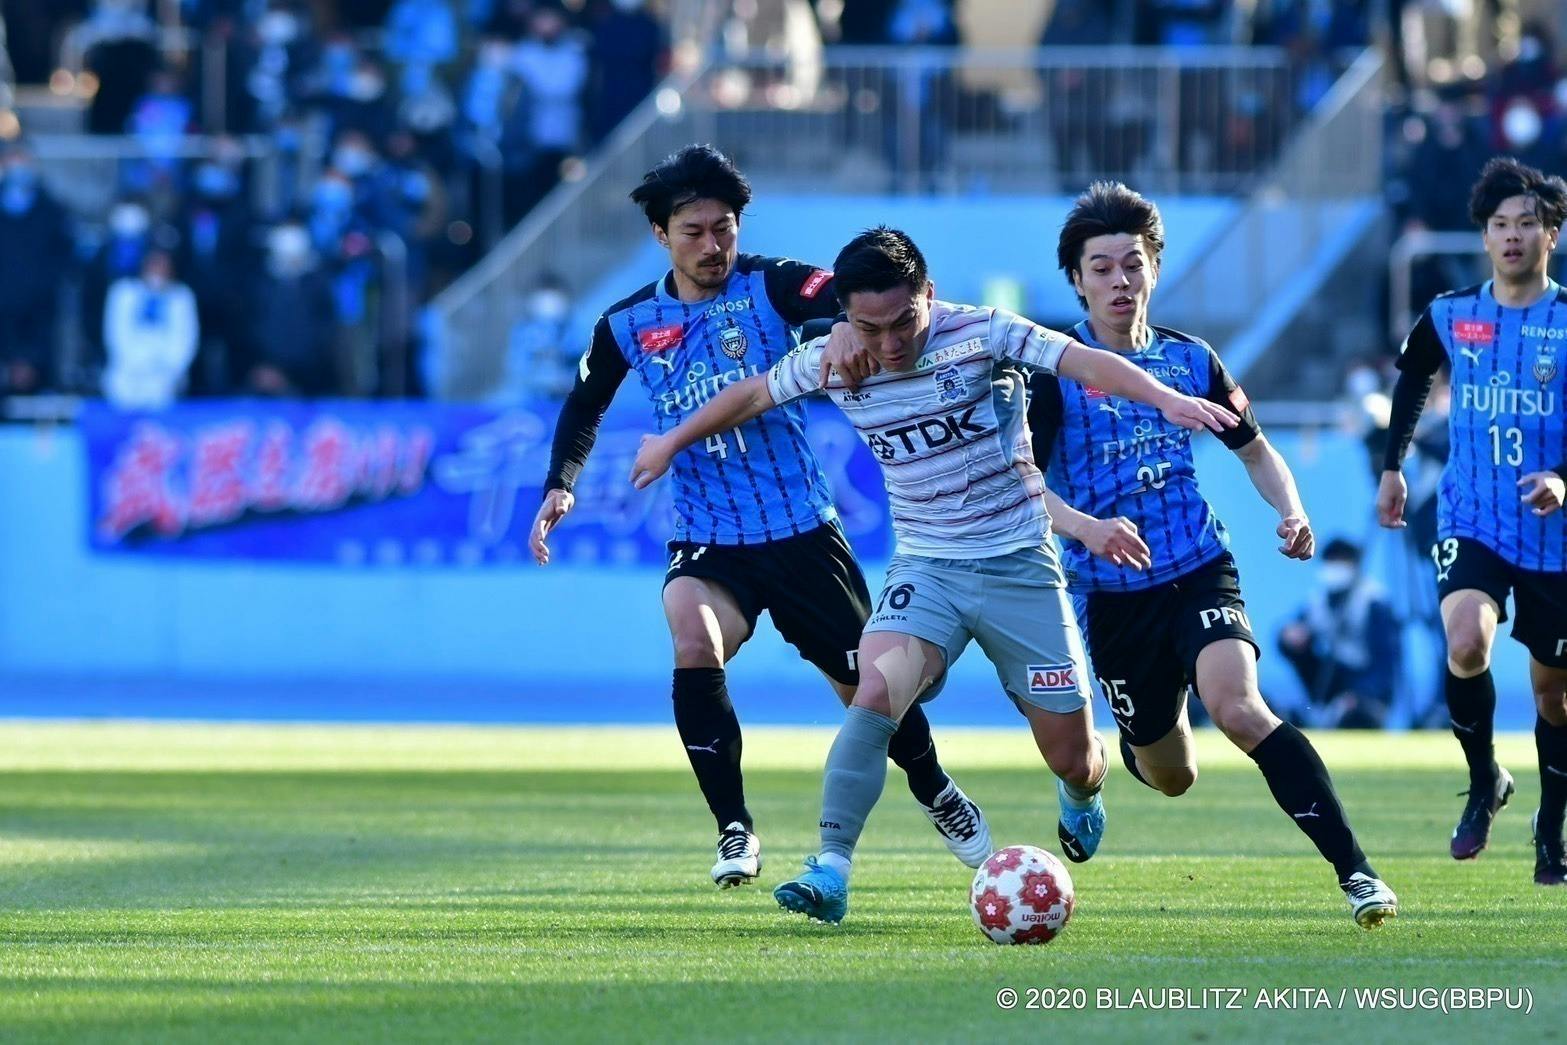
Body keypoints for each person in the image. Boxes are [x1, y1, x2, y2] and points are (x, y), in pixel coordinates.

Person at [629, 225, 1241, 924]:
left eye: (903, 322)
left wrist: (1163, 397)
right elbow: (748, 396)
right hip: (928, 570)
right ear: (845, 317)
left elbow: (1083, 361)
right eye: (868, 327)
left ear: (929, 293)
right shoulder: (832, 358)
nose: (889, 344)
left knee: (1071, 756)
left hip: (1020, 567)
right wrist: (671, 441)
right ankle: (830, 867)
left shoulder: (982, 332)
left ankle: (1081, 792)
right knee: (874, 694)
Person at [530, 146, 989, 890]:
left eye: (724, 228)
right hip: (708, 534)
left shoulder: (771, 284)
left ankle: (936, 789)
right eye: (693, 232)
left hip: (800, 529)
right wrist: (560, 483)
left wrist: (842, 325)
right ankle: (734, 827)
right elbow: (585, 403)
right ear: (660, 235)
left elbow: (840, 292)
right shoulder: (627, 323)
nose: (712, 245)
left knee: (867, 690)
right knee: (692, 636)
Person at [1027, 181, 1397, 927]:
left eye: (1132, 264)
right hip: (1110, 593)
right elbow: (1023, 485)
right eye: (1101, 268)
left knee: (1240, 708)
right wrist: (1086, 528)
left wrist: (1291, 511)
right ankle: (1090, 780)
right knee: (1172, 775)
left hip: (1198, 567)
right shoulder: (1054, 373)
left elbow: (1255, 451)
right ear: (1076, 280)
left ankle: (1357, 873)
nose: (1120, 281)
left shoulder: (1191, 361)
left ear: (1154, 268)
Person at [1378, 156, 1567, 887]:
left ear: (1551, 234)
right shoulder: (1451, 312)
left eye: (1527, 223)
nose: (1513, 235)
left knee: (1553, 695)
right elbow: (1412, 379)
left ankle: (1550, 827)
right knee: (1464, 642)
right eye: (1499, 224)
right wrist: (1392, 467)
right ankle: (1484, 777)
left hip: (1554, 535)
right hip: (1473, 516)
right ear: (1484, 236)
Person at [1278, 538, 1401, 729]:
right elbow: (1292, 632)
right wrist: (1288, 638)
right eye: (1330, 561)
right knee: (1296, 645)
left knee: (1360, 714)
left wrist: (1362, 693)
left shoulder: (1374, 601)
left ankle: (1356, 710)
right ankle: (1315, 709)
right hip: (1332, 678)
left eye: (1341, 561)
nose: (1335, 568)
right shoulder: (1317, 601)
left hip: (1366, 683)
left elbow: (1386, 661)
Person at [101, 248, 200, 410]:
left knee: (162, 399)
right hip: (127, 371)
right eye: (154, 265)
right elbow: (115, 334)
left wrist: (166, 368)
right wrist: (137, 362)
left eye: (163, 266)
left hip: (166, 374)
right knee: (120, 391)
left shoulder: (181, 297)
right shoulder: (123, 293)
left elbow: (187, 339)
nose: (158, 271)